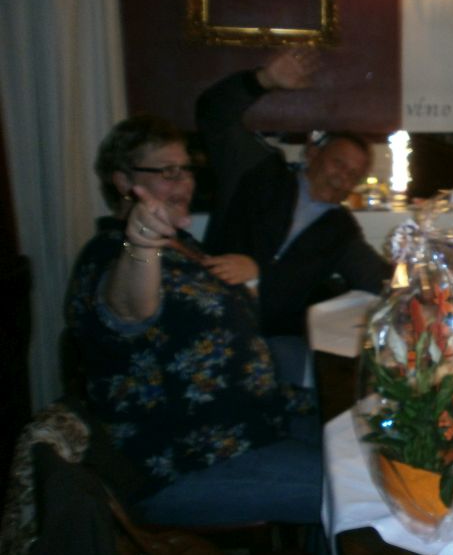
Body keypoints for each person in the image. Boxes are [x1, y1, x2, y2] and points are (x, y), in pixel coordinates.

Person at [64, 115, 321, 527]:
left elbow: (227, 322)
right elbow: (128, 312)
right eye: (167, 172)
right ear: (123, 181)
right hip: (185, 460)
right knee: (360, 490)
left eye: (186, 170)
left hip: (257, 419)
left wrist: (252, 276)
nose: (184, 183)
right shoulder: (109, 254)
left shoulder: (184, 245)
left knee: (369, 444)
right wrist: (141, 244)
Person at [196, 50, 392, 348]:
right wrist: (264, 80)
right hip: (212, 312)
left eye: (354, 174)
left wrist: (425, 278)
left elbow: (377, 279)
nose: (343, 176)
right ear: (312, 153)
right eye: (338, 163)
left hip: (274, 337)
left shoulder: (340, 229)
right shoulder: (258, 172)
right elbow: (214, 113)